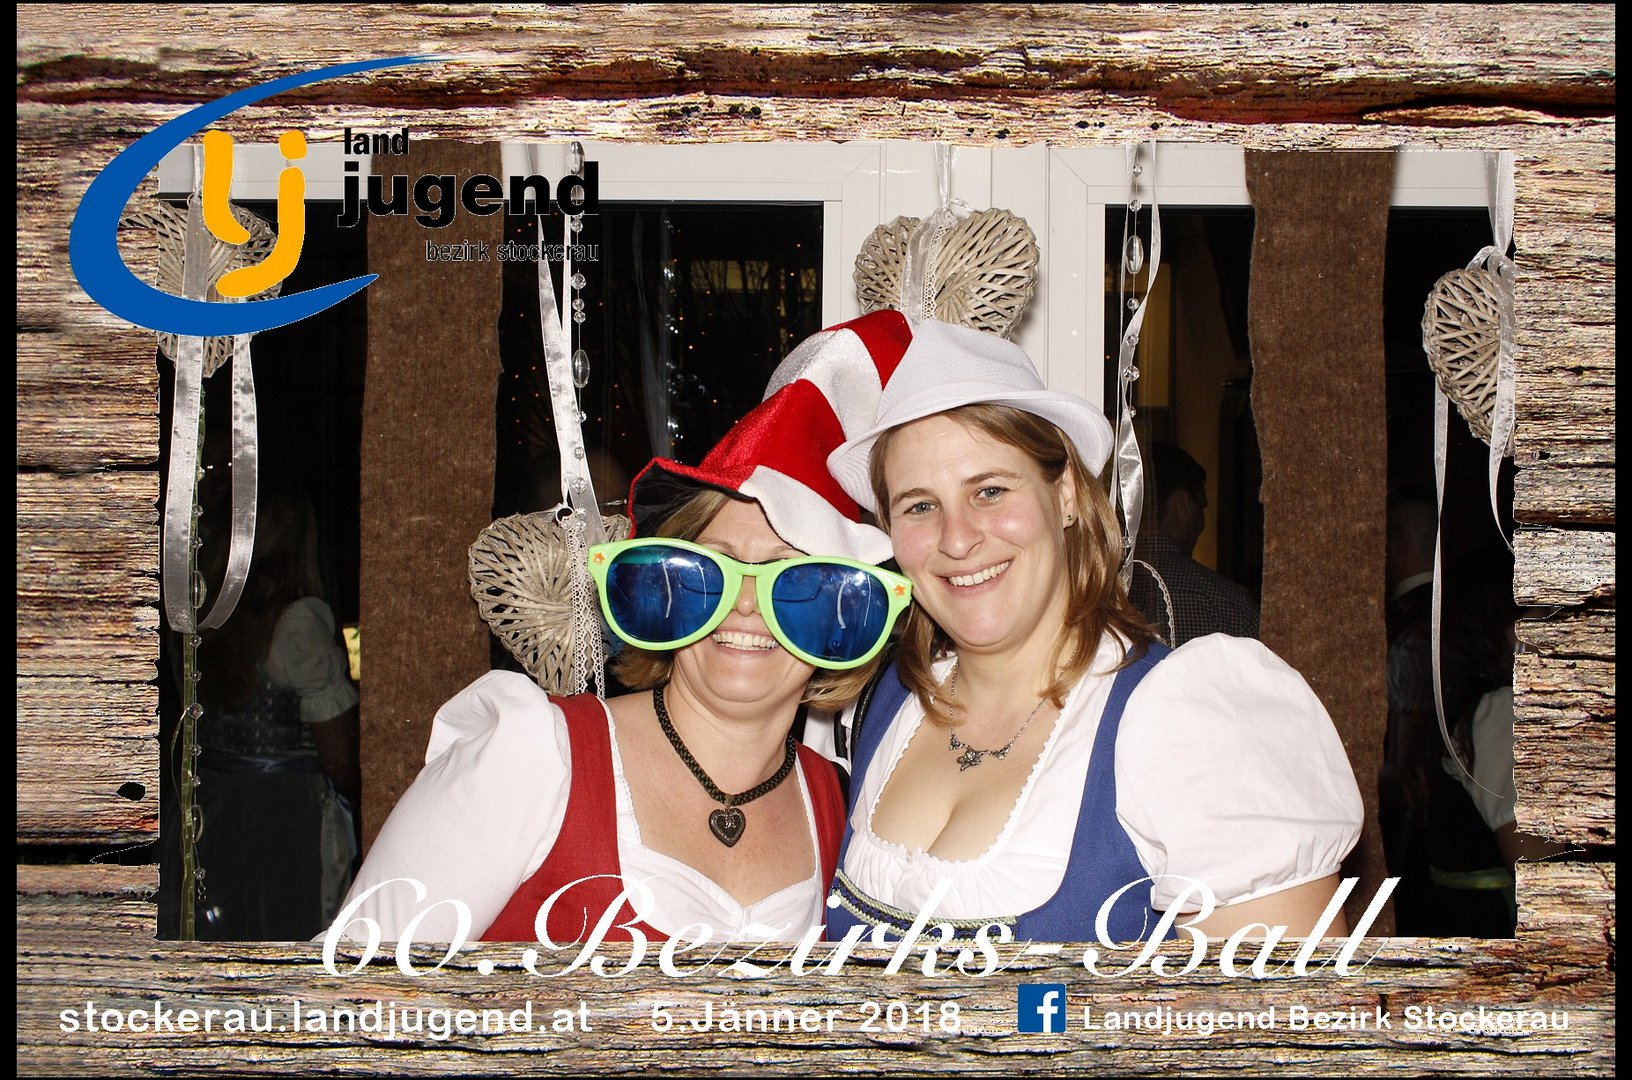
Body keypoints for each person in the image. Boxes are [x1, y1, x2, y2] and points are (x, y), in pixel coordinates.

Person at [330, 310, 916, 943]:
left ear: (842, 613)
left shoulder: (839, 806)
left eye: (792, 581)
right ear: (664, 591)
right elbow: (350, 985)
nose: (746, 605)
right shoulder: (533, 757)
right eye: (708, 571)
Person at [822, 319, 1363, 941]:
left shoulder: (1189, 723)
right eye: (920, 505)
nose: (957, 538)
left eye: (990, 491)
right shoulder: (893, 700)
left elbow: (1276, 1001)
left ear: (1067, 495)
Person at [176, 484, 361, 940]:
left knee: (229, 924)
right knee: (284, 923)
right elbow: (338, 758)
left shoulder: (204, 614)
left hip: (213, 800)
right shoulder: (297, 623)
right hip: (282, 812)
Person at [1128, 440, 1259, 645]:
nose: (1202, 521)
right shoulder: (1231, 607)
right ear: (1182, 504)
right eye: (1201, 507)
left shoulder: (1098, 592)